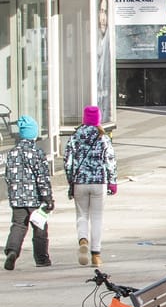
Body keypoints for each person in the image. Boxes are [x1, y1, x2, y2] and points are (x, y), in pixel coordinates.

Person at [64, 105, 117, 268]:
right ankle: (96, 255)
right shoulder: (103, 137)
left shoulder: (75, 136)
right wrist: (112, 181)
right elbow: (110, 161)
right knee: (97, 218)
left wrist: (71, 180)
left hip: (80, 182)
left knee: (82, 215)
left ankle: (83, 240)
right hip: (99, 182)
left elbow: (68, 162)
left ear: (84, 119)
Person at [4, 114, 54, 271]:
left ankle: (12, 251)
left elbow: (8, 176)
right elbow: (42, 177)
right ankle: (41, 258)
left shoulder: (12, 152)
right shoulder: (37, 152)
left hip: (17, 198)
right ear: (33, 133)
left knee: (18, 225)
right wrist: (48, 197)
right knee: (40, 227)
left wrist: (13, 193)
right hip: (35, 198)